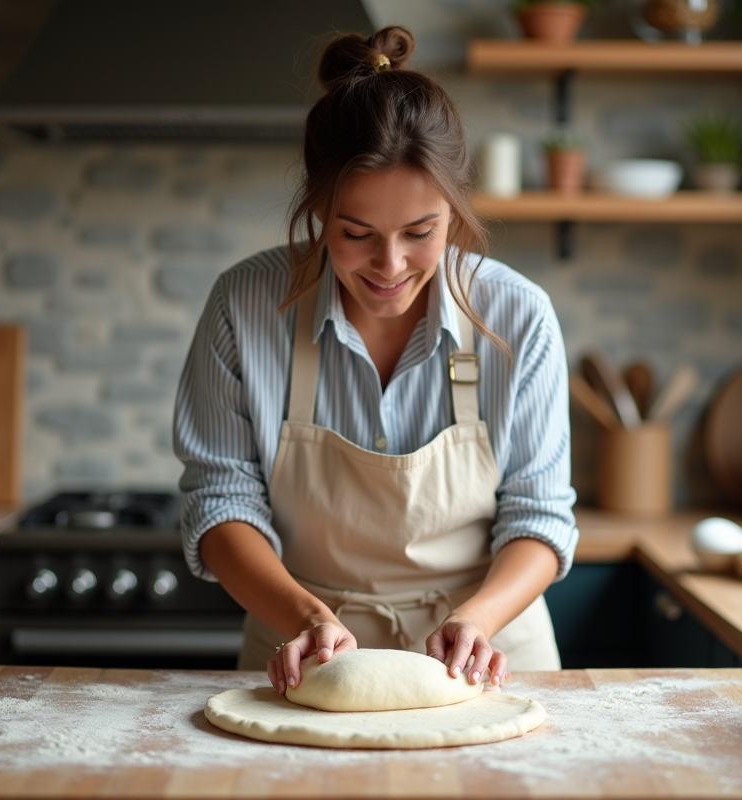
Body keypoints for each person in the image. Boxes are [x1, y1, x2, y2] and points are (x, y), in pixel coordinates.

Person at [174, 25, 577, 696]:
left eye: (421, 233)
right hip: (305, 652)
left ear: (454, 210)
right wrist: (304, 615)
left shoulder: (517, 317)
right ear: (317, 210)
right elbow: (220, 504)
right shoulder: (244, 306)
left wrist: (477, 618)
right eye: (355, 234)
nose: (390, 267)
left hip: (487, 656)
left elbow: (539, 516)